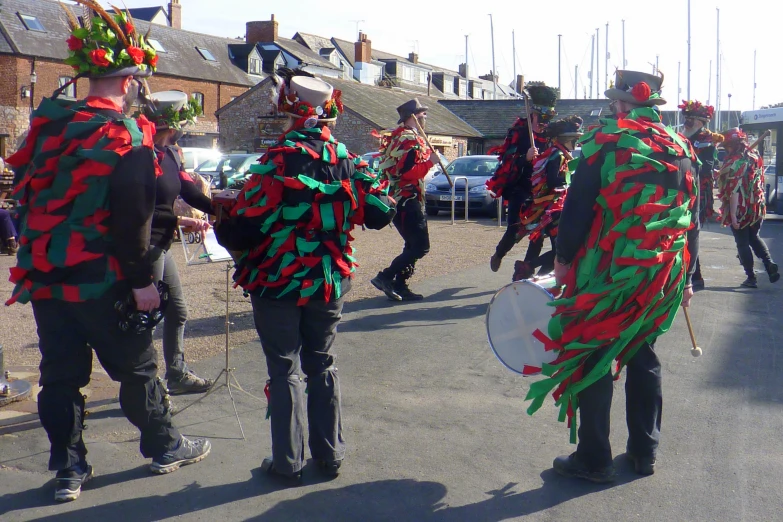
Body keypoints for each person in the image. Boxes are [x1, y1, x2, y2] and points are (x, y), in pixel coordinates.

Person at [4, 6, 210, 502]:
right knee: (137, 370)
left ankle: (69, 471)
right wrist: (142, 282)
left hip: (49, 277)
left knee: (61, 377)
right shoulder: (128, 134)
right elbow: (132, 218)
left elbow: (27, 196)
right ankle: (165, 446)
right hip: (103, 278)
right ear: (131, 80)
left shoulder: (46, 127)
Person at [214, 70, 395, 482]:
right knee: (322, 363)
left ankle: (287, 462)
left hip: (278, 281)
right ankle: (329, 455)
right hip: (329, 279)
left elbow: (244, 226)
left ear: (286, 109)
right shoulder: (347, 159)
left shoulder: (277, 161)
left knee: (284, 368)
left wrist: (222, 213)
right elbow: (382, 215)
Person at [525, 70, 700, 483]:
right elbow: (692, 217)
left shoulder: (604, 143)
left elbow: (578, 208)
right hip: (661, 273)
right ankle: (645, 451)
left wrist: (563, 261)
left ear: (622, 105)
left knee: (593, 351)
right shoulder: (682, 147)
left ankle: (594, 458)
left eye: (613, 103)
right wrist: (688, 277)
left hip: (610, 273)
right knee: (643, 353)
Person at [143, 91, 215, 394]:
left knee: (177, 311)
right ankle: (145, 383)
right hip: (144, 245)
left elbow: (189, 193)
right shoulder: (142, 154)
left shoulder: (171, 153)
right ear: (174, 124)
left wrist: (231, 208)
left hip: (162, 242)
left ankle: (176, 374)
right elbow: (142, 209)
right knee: (145, 317)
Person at [487, 82, 558, 273]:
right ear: (532, 115)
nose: (544, 124)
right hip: (520, 187)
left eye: (548, 119)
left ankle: (526, 270)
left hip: (541, 191)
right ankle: (499, 253)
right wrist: (523, 158)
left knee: (538, 233)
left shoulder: (551, 135)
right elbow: (506, 162)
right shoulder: (519, 132)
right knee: (515, 229)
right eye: (541, 118)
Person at [370, 98, 434, 301]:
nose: (426, 117)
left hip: (403, 200)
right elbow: (407, 173)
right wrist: (430, 163)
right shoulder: (409, 140)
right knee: (421, 246)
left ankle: (400, 284)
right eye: (422, 114)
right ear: (412, 117)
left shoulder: (404, 137)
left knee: (411, 244)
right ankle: (385, 276)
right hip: (408, 200)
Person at [512, 115, 583, 281]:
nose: (576, 144)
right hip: (553, 210)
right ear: (566, 139)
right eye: (574, 140)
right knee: (561, 251)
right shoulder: (557, 156)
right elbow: (552, 181)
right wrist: (571, 180)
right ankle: (530, 270)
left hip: (553, 208)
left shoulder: (558, 153)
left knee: (556, 250)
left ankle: (533, 275)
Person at [717, 127, 779, 288]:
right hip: (757, 206)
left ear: (731, 145)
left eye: (726, 146)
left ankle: (751, 277)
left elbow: (734, 191)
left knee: (742, 243)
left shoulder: (734, 163)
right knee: (754, 237)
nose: (726, 149)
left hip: (741, 208)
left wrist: (733, 216)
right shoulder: (754, 156)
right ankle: (769, 263)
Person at [679, 100, 723, 289]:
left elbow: (707, 168)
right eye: (686, 118)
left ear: (700, 121)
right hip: (682, 188)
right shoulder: (681, 137)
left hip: (696, 191)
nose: (686, 121)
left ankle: (694, 276)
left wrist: (687, 164)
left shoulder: (706, 140)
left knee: (691, 232)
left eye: (690, 119)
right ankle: (693, 275)